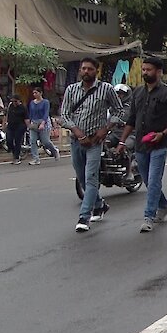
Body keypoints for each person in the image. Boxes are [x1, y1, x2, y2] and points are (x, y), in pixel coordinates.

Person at [118, 57, 167, 233]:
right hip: (141, 145)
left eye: (149, 70)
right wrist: (122, 141)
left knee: (154, 180)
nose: (145, 72)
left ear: (159, 72)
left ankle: (148, 217)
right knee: (147, 181)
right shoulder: (137, 93)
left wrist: (162, 134)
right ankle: (163, 205)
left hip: (160, 145)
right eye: (144, 70)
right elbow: (131, 119)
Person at [60, 57, 122, 232]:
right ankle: (100, 204)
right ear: (80, 71)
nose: (86, 72)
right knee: (81, 177)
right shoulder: (71, 90)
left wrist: (105, 129)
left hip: (95, 142)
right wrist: (78, 133)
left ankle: (84, 217)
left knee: (91, 177)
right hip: (77, 141)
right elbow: (64, 115)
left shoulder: (106, 89)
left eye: (90, 69)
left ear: (96, 71)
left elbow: (119, 110)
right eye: (83, 69)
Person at [27, 88, 59, 164]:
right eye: (33, 93)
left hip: (43, 121)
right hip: (34, 122)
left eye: (36, 92)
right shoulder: (32, 103)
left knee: (45, 141)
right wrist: (29, 123)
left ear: (40, 93)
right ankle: (36, 159)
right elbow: (30, 113)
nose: (34, 94)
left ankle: (54, 150)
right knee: (32, 140)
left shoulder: (45, 102)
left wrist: (43, 123)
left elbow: (46, 113)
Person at [4, 94, 27, 165]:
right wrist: (4, 123)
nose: (14, 103)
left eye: (15, 101)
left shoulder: (23, 108)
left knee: (17, 141)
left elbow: (26, 118)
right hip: (10, 125)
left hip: (20, 126)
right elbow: (7, 114)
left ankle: (16, 157)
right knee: (9, 140)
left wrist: (28, 126)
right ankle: (14, 153)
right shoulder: (10, 106)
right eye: (12, 101)